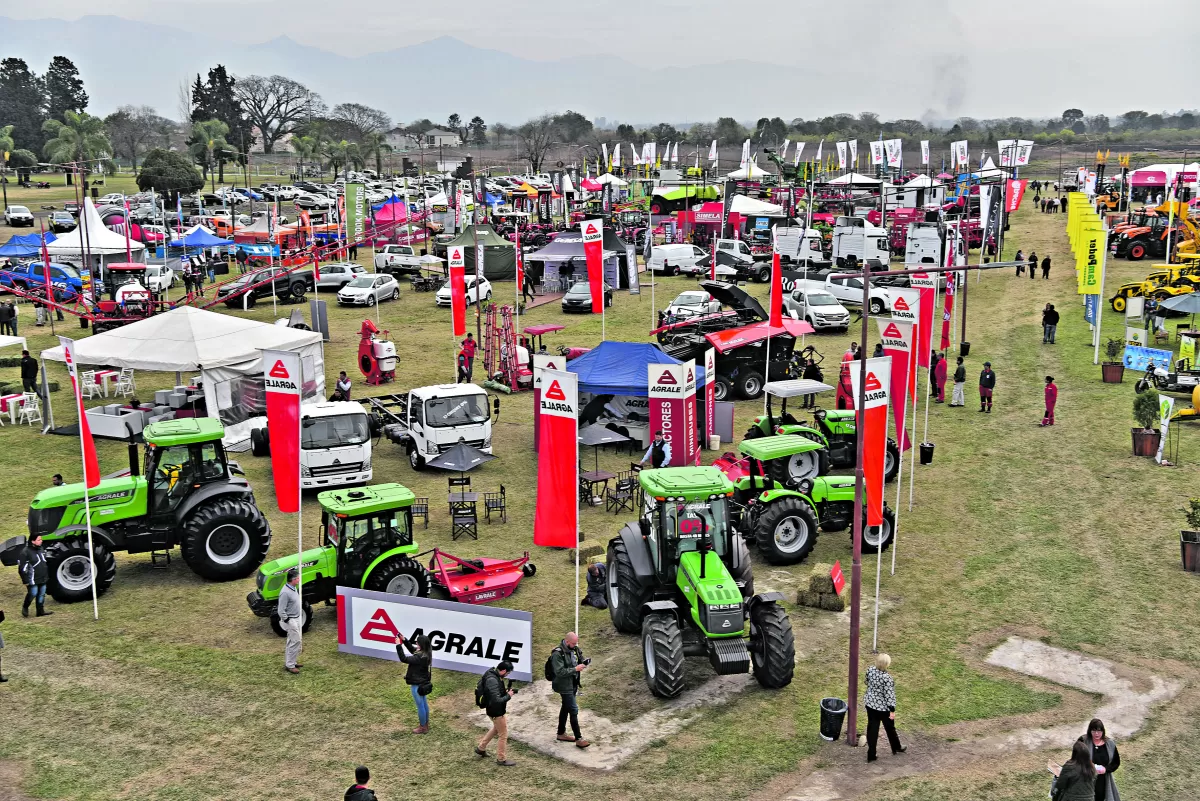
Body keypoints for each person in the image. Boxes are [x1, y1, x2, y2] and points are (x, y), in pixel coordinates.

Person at [549, 632, 591, 748]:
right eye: (573, 643)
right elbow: (559, 672)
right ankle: (579, 738)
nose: (575, 645)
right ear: (567, 642)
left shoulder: (574, 649)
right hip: (564, 685)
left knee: (566, 707)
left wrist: (583, 663)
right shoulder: (557, 654)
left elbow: (578, 659)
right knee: (573, 709)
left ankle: (561, 733)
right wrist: (575, 669)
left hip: (572, 683)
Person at [863, 652, 905, 762]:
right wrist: (892, 710)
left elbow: (866, 682)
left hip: (870, 705)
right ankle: (896, 746)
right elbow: (889, 695)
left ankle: (871, 754)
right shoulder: (887, 678)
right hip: (883, 709)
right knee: (890, 728)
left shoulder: (870, 670)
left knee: (872, 729)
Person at [475, 660, 517, 766]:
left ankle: (481, 748)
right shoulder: (492, 680)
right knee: (503, 734)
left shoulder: (493, 674)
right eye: (507, 673)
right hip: (496, 711)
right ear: (503, 670)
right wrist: (509, 695)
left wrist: (506, 691)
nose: (507, 675)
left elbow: (495, 693)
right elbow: (497, 700)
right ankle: (501, 759)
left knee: (496, 729)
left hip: (492, 710)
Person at [394, 632, 433, 734]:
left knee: (420, 705)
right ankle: (426, 723)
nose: (416, 643)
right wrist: (405, 640)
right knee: (424, 704)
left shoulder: (419, 657)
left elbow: (404, 659)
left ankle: (422, 727)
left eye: (417, 642)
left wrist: (398, 645)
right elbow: (413, 649)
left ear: (421, 644)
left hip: (417, 684)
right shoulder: (426, 653)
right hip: (423, 682)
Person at [1080, 718, 1120, 801]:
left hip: (1102, 780)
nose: (1097, 734)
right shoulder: (1083, 741)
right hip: (1086, 779)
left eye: (1099, 731)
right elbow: (1076, 758)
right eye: (1094, 731)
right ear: (1090, 731)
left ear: (1103, 731)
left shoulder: (1110, 744)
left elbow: (1116, 762)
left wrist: (1106, 769)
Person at [18, 535, 52, 618]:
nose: (41, 541)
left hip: (43, 577)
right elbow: (22, 568)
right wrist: (25, 581)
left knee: (42, 594)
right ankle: (25, 607)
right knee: (33, 593)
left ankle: (40, 611)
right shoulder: (25, 552)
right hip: (32, 579)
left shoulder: (41, 548)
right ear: (33, 541)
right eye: (39, 539)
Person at [277, 568, 303, 674]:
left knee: (291, 641)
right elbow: (280, 610)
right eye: (297, 578)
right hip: (291, 620)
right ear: (293, 580)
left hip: (296, 618)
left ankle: (291, 661)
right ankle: (290, 665)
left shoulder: (293, 588)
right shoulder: (285, 593)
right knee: (296, 641)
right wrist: (288, 620)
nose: (299, 579)